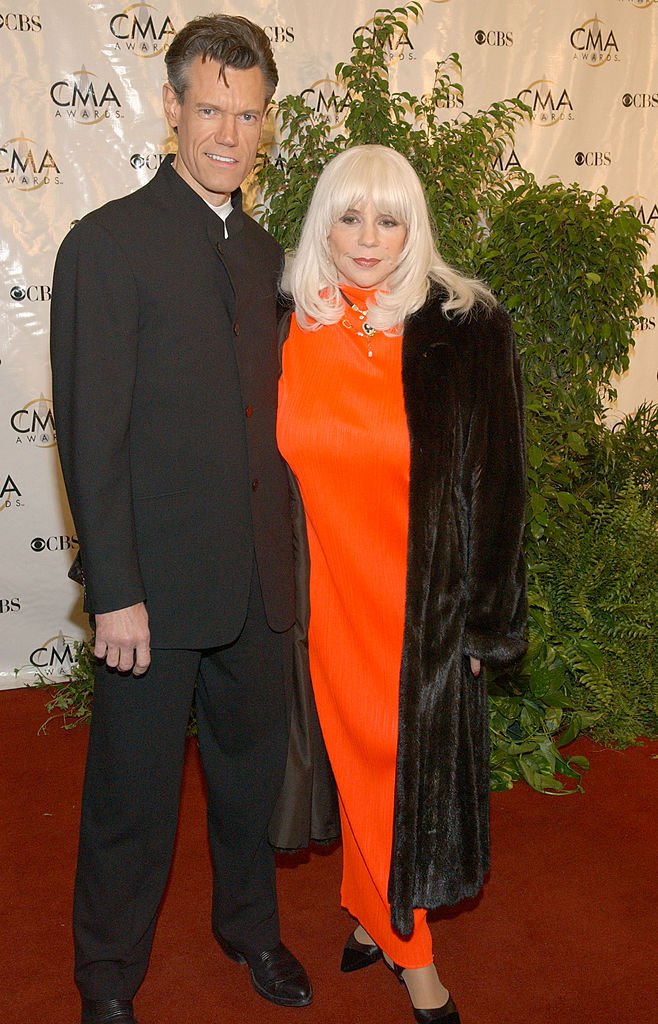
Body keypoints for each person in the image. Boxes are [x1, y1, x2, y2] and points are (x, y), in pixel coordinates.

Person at [50, 15, 312, 1024]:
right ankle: (106, 977)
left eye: (247, 115)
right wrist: (114, 591)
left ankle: (249, 927)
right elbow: (91, 438)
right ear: (170, 107)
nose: (228, 133)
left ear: (265, 123)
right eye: (210, 109)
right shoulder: (105, 246)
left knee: (248, 784)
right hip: (149, 597)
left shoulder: (267, 256)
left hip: (255, 585)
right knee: (132, 799)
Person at [276, 145, 527, 1024]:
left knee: (390, 773)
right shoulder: (289, 323)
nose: (368, 237)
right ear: (323, 224)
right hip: (320, 603)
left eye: (388, 217)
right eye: (349, 216)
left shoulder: (465, 326)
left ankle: (410, 950)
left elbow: (500, 491)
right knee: (353, 767)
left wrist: (485, 627)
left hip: (420, 610)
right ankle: (372, 913)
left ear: (414, 225)